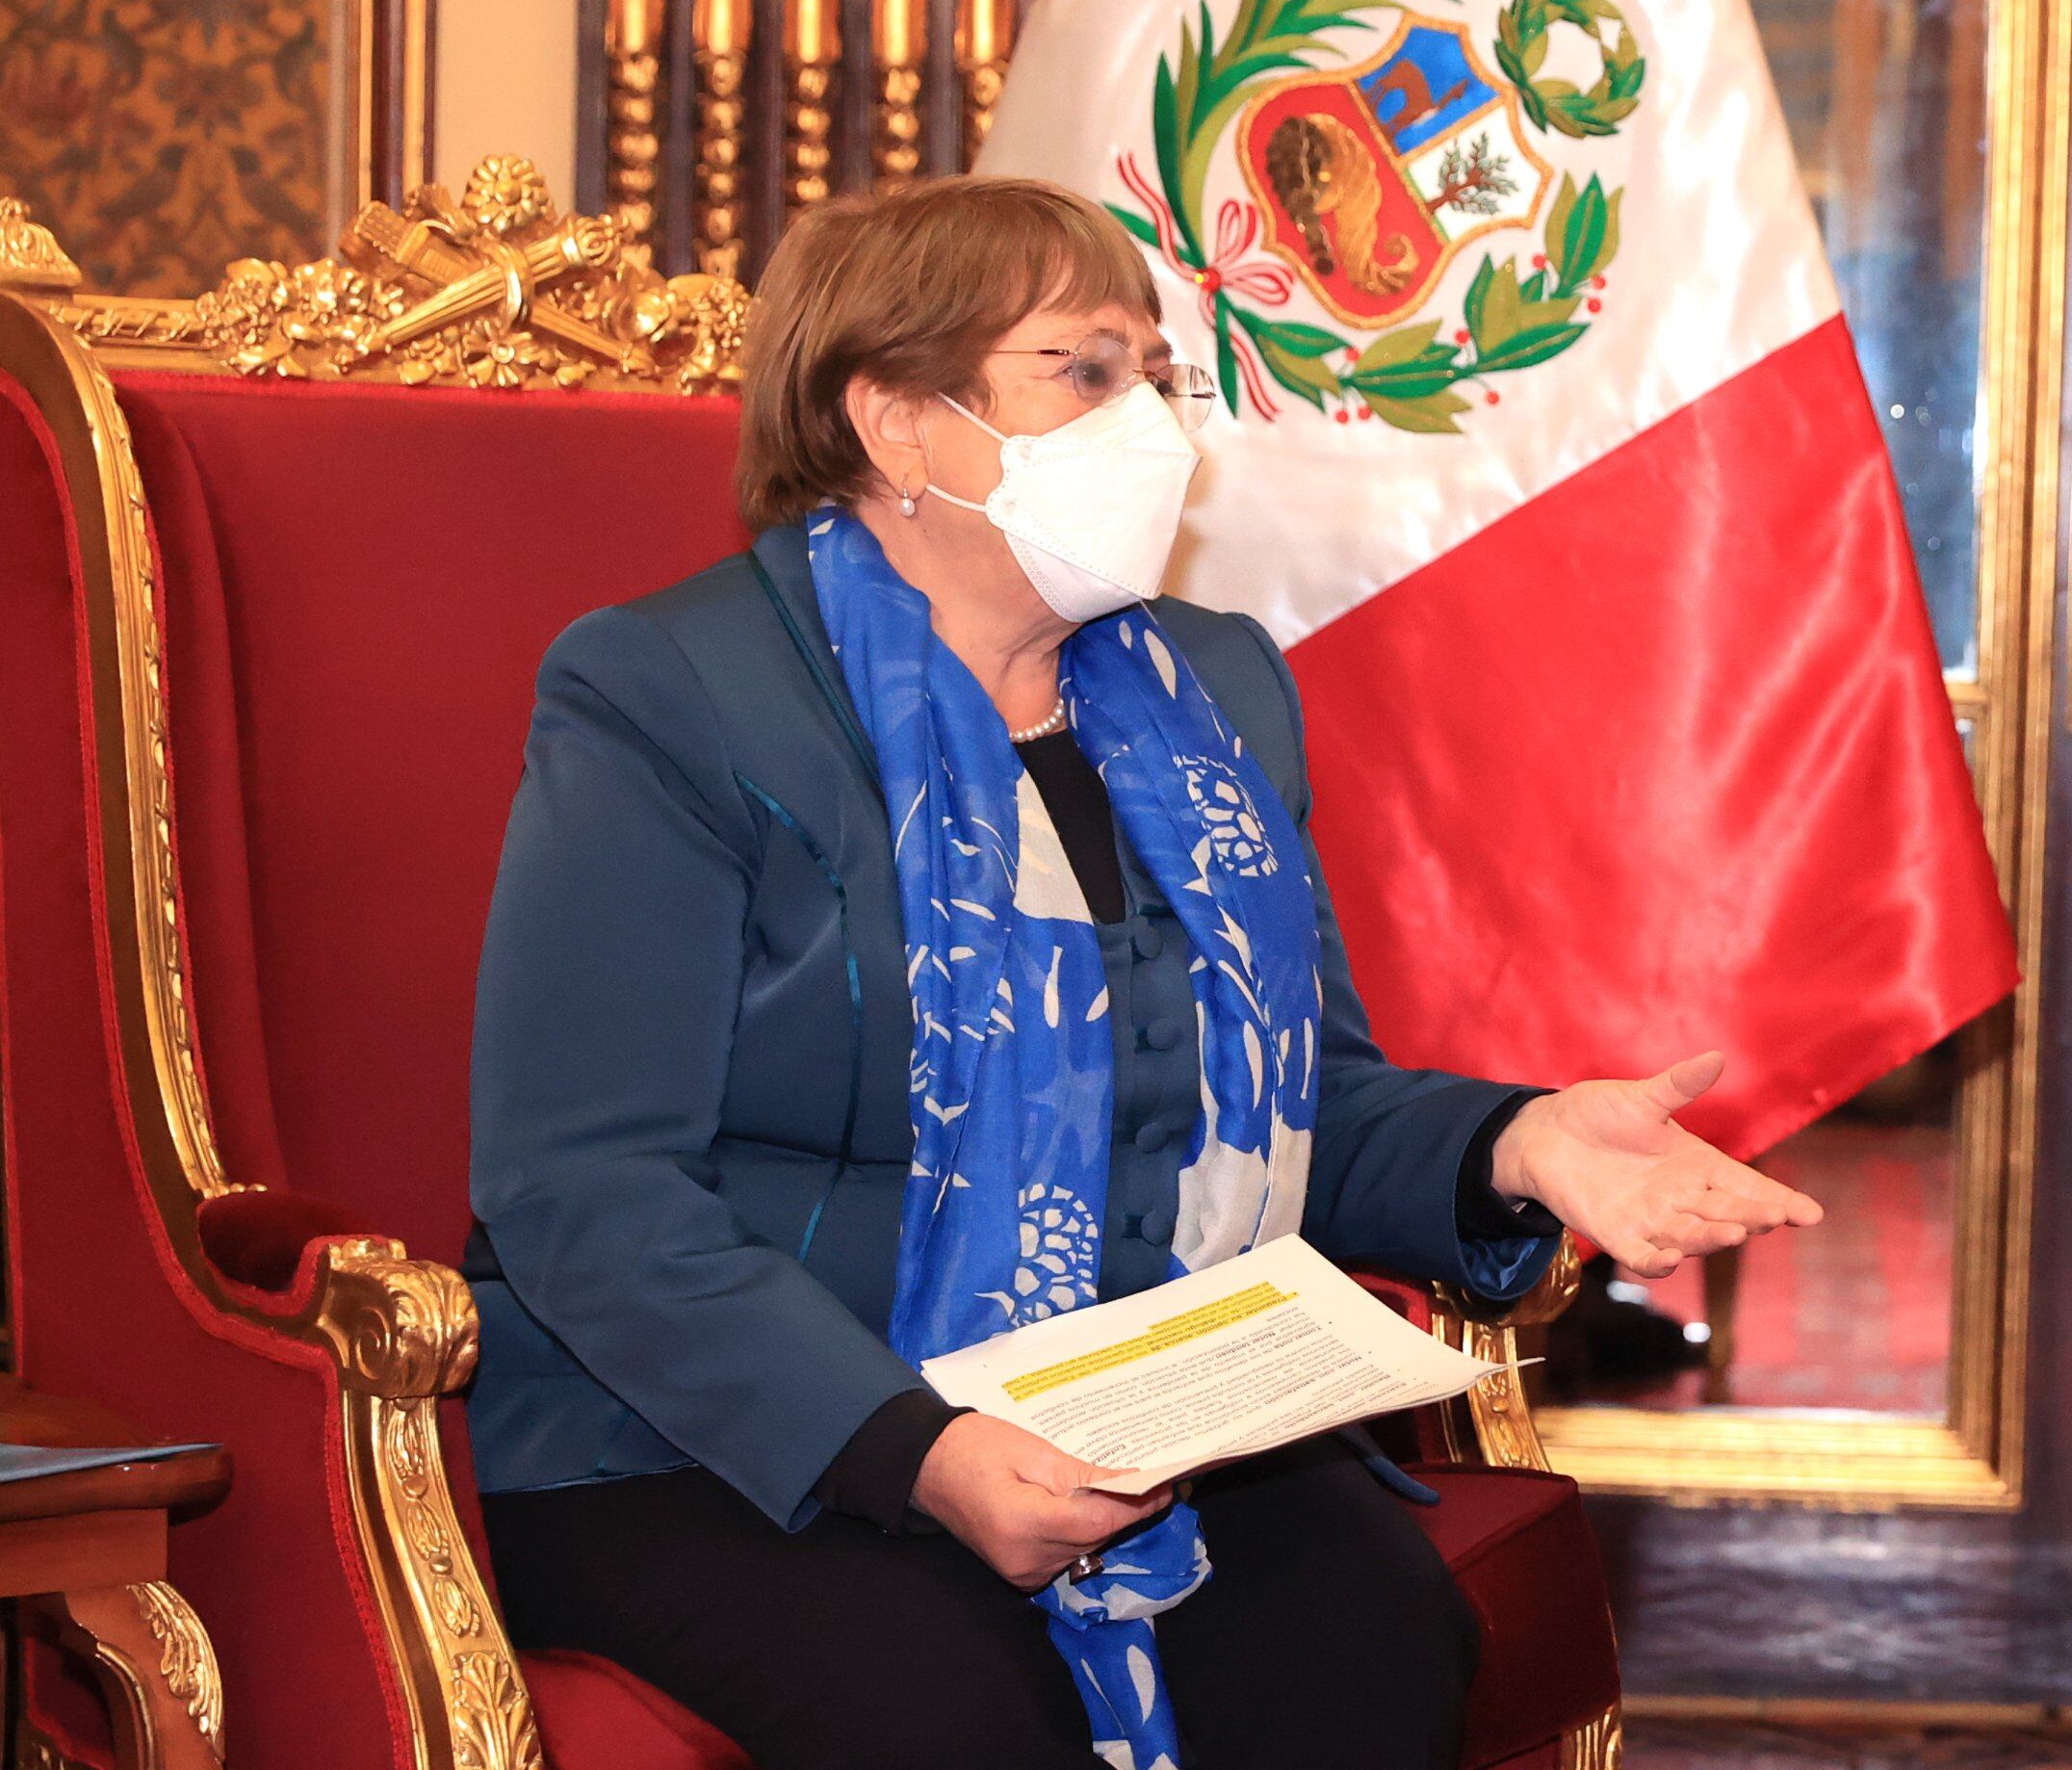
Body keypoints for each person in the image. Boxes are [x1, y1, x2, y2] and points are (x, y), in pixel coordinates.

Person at [463, 177, 1821, 1770]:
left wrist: (1514, 1146)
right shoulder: (675, 696)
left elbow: (1303, 1108)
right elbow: (584, 1188)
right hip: (726, 1435)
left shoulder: (1209, 693)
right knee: (958, 1710)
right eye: (1083, 372)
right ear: (898, 422)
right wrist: (921, 1450)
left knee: (1368, 1643)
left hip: (1133, 1402)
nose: (1152, 425)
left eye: (1157, 375)